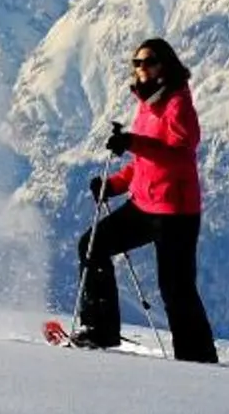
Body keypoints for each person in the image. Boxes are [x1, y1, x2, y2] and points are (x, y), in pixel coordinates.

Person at [68, 36, 218, 363]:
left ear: (165, 66)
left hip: (175, 212)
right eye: (136, 63)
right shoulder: (147, 106)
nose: (140, 69)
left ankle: (198, 359)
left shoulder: (179, 104)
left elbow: (180, 155)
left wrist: (133, 143)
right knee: (92, 245)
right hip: (143, 205)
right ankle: (98, 330)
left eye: (148, 62)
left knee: (176, 288)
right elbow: (143, 163)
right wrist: (115, 185)